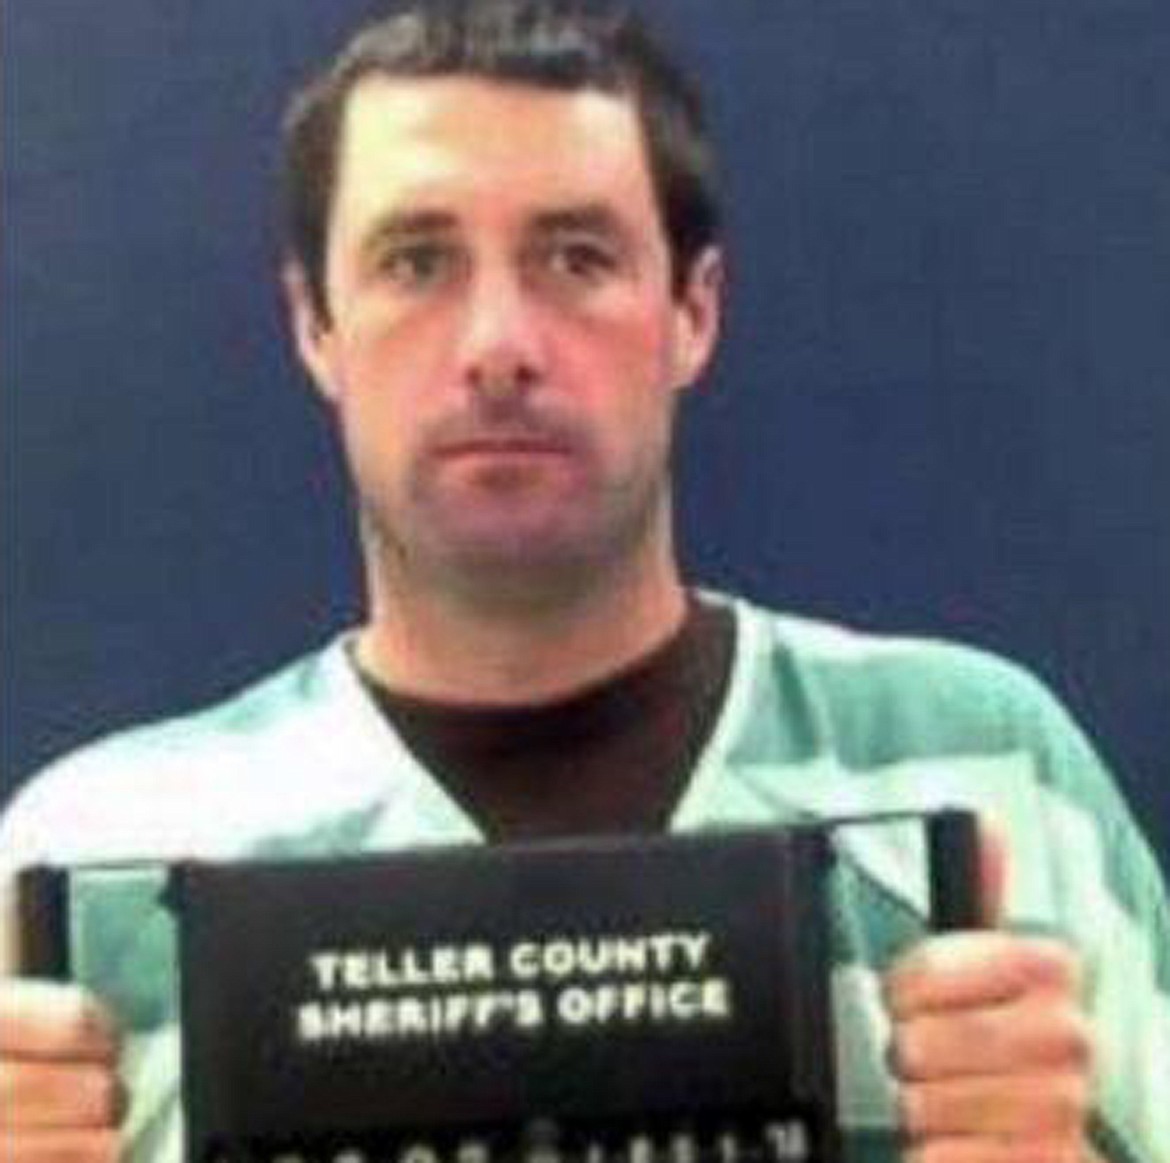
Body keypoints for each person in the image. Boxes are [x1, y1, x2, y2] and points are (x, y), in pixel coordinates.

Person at [1, 3, 1167, 1163]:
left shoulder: (991, 769)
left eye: (577, 257)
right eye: (417, 261)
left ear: (692, 312)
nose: (498, 344)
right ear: (317, 327)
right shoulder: (91, 868)